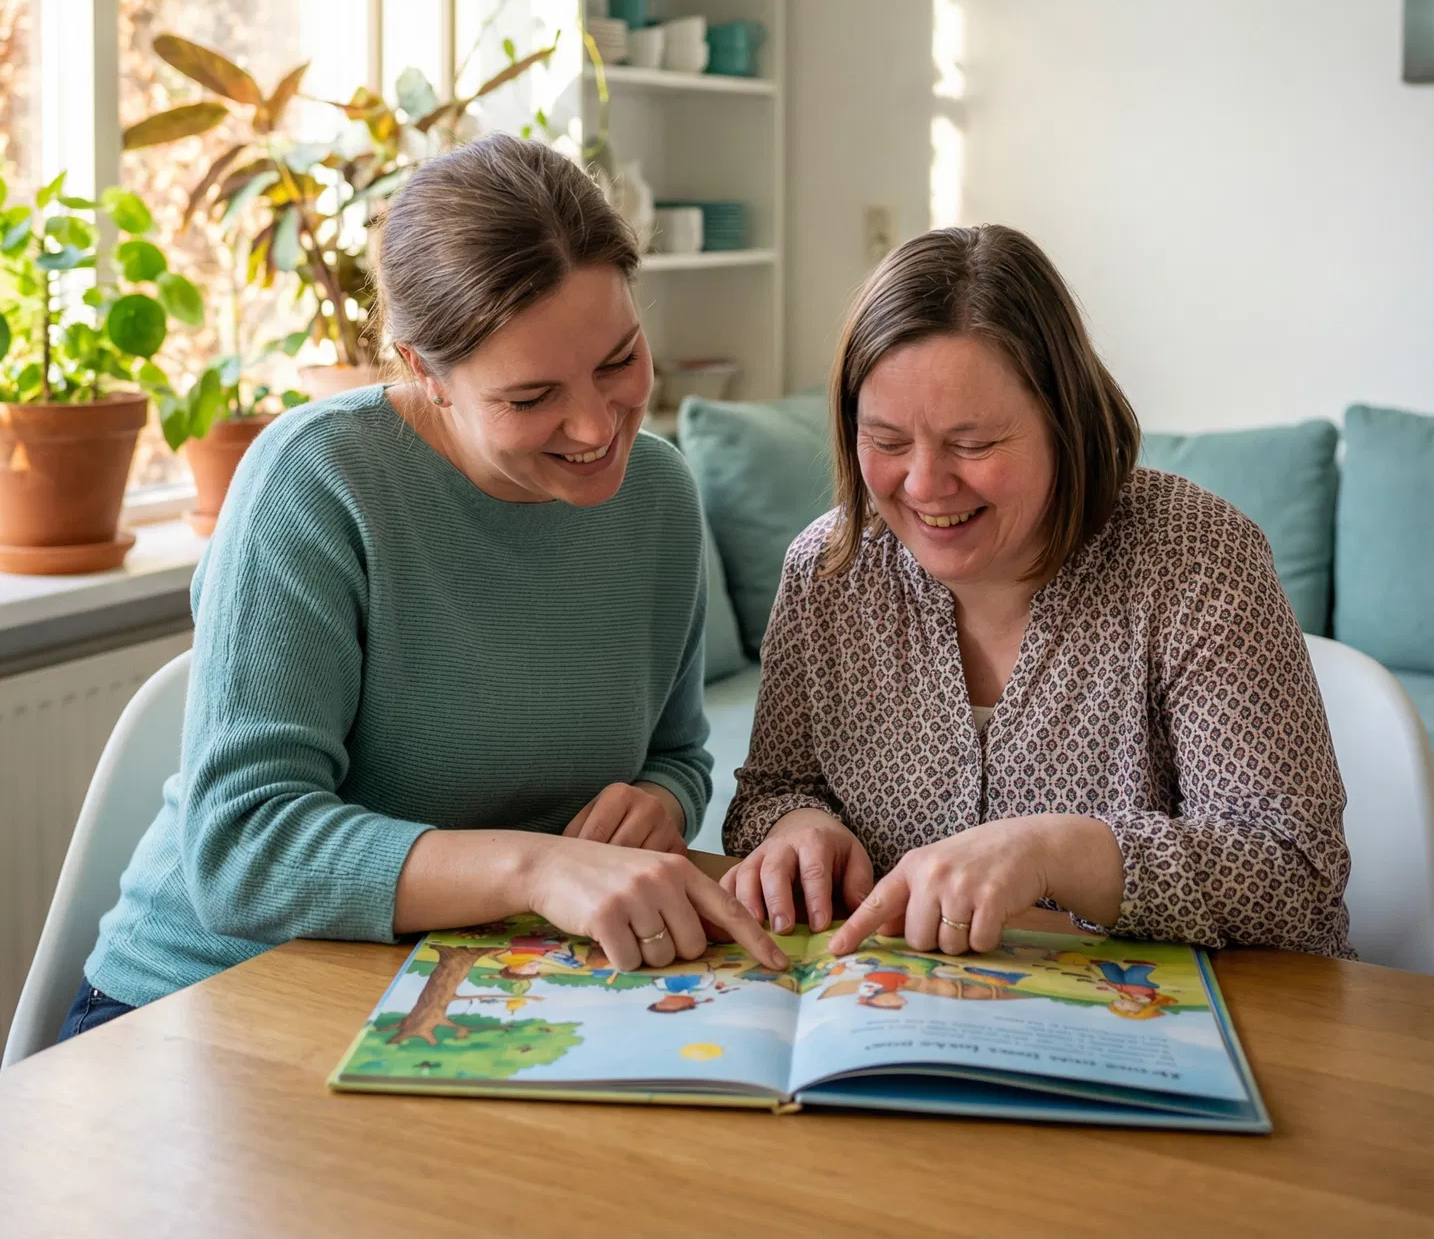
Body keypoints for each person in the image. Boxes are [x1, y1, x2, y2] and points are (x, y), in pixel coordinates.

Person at [62, 136, 785, 1040]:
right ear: (421, 371)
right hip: (207, 1002)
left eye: (618, 359)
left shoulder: (660, 495)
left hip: (480, 988)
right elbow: (243, 850)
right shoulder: (316, 482)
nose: (598, 425)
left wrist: (662, 801)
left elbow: (675, 753)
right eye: (530, 398)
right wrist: (537, 870)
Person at [722, 225, 1351, 959]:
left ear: (1066, 422)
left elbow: (1296, 880)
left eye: (973, 443)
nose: (924, 486)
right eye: (887, 442)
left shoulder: (1197, 561)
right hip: (908, 1020)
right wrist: (797, 828)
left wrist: (1058, 853)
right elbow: (770, 790)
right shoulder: (825, 573)